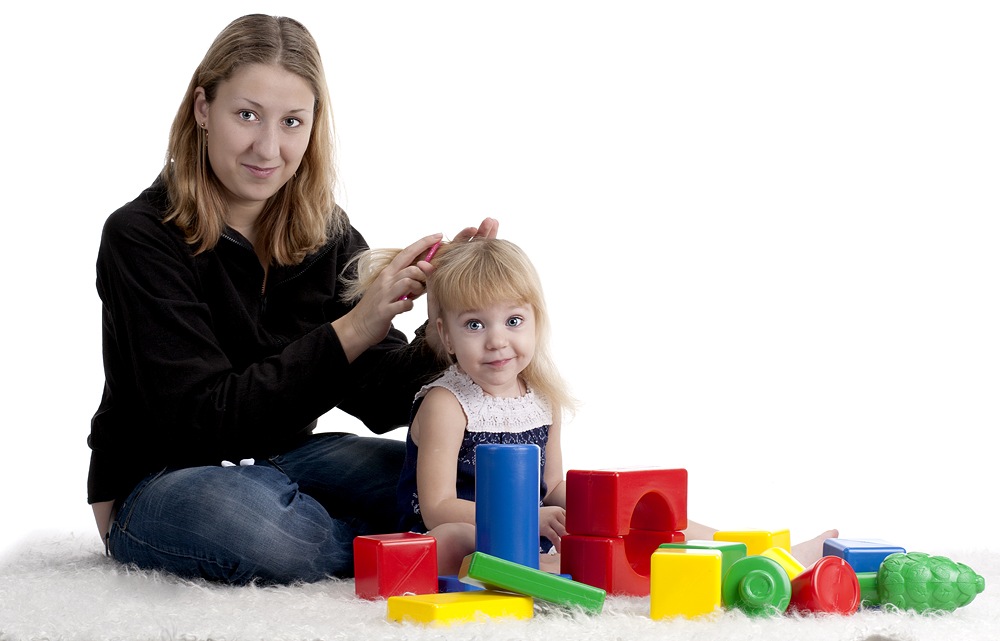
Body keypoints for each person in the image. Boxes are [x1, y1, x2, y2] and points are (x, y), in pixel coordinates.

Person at [86, 13, 497, 585]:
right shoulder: (139, 235)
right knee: (257, 526)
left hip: (286, 461)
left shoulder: (327, 233)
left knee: (458, 482)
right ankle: (409, 544)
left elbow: (380, 400)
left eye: (292, 122)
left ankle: (386, 533)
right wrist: (354, 327)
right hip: (163, 479)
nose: (268, 147)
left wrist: (446, 325)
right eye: (247, 115)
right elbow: (201, 421)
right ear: (203, 108)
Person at [342, 238, 576, 575]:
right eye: (474, 325)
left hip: (524, 537)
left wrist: (596, 509)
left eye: (513, 321)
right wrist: (524, 518)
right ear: (446, 335)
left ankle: (529, 565)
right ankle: (528, 568)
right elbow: (437, 508)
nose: (497, 341)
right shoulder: (447, 403)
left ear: (536, 322)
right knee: (454, 537)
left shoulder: (542, 400)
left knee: (595, 532)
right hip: (458, 533)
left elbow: (551, 487)